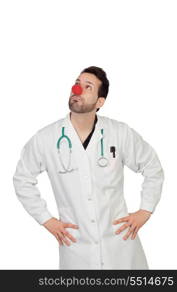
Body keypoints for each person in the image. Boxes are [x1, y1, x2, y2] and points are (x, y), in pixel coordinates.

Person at [12, 66, 164, 269]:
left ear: (100, 102)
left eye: (87, 87)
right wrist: (46, 220)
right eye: (77, 83)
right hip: (76, 248)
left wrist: (145, 210)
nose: (77, 89)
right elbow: (22, 179)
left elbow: (153, 168)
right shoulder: (46, 138)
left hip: (120, 244)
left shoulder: (119, 133)